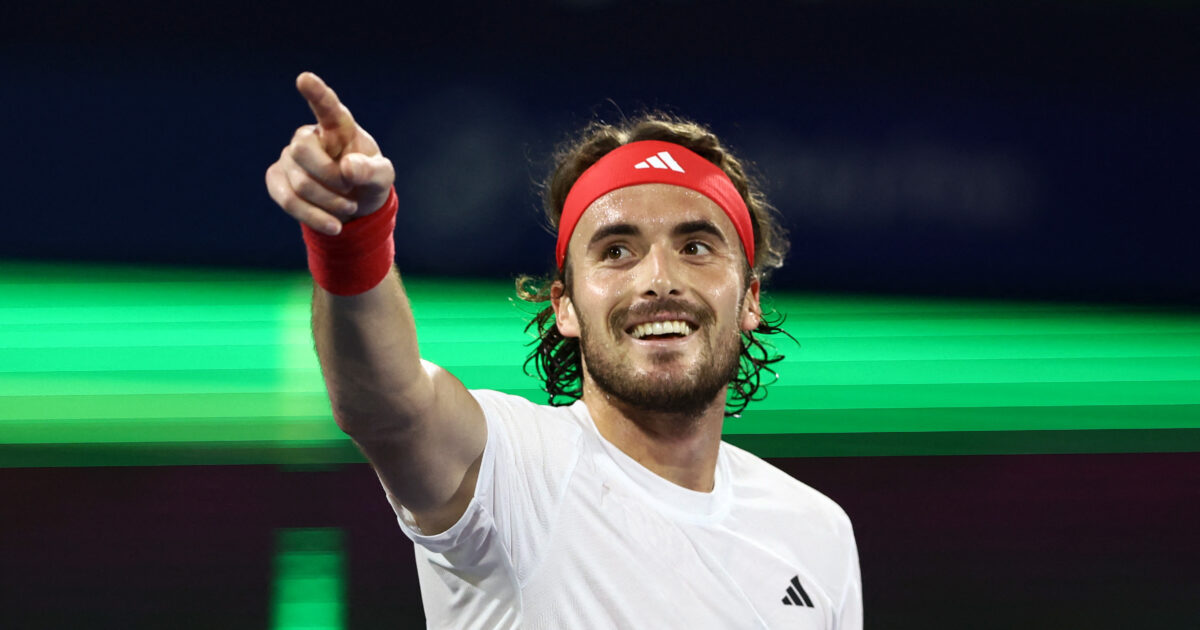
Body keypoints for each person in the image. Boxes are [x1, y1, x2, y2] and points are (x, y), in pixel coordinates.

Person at [265, 72, 862, 629]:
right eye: (617, 251)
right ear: (566, 306)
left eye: (696, 247)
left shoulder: (818, 533)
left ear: (750, 299)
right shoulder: (510, 470)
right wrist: (354, 237)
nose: (660, 279)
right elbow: (389, 404)